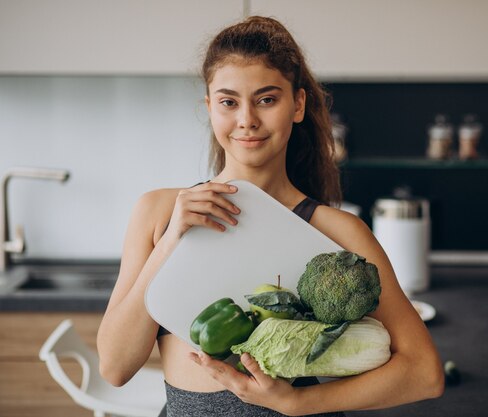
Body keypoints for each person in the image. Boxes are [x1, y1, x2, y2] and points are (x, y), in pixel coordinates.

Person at [97, 16, 444, 417]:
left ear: (297, 105)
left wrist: (299, 402)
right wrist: (174, 237)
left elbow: (424, 372)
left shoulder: (339, 233)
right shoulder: (159, 213)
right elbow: (115, 367)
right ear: (209, 107)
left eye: (266, 99)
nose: (247, 119)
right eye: (228, 101)